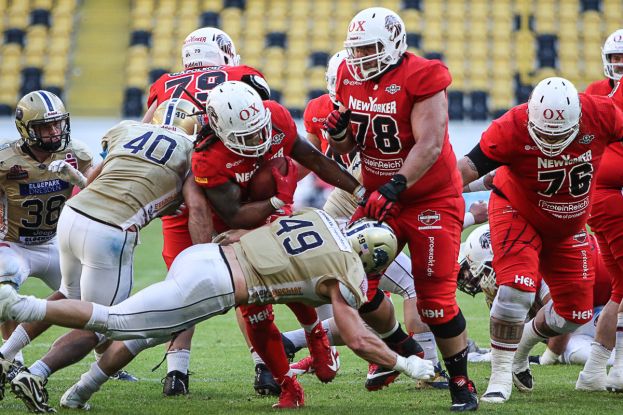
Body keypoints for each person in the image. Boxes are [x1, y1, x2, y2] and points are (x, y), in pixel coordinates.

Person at [0, 210, 436, 410]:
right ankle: (24, 306)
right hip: (216, 286)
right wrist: (406, 362)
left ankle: (79, 394)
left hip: (206, 256)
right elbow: (358, 337)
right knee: (113, 321)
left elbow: (248, 229)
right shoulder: (348, 271)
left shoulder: (319, 216)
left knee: (145, 334)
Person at [1, 99, 208, 413]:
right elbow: (195, 209)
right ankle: (35, 375)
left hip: (72, 216)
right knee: (101, 323)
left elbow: (94, 180)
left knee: (70, 296)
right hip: (110, 231)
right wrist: (204, 252)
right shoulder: (190, 152)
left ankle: (5, 355)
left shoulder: (128, 130)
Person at [325, 7, 477, 411]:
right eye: (355, 50)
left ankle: (462, 381)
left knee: (434, 299)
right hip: (380, 198)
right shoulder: (346, 77)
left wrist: (395, 185)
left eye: (371, 48)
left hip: (429, 198)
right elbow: (347, 149)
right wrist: (340, 135)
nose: (362, 58)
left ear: (394, 42)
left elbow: (429, 144)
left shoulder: (423, 75)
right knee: (356, 284)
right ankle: (406, 350)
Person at [458, 76, 623, 403]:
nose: (552, 141)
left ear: (578, 119)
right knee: (517, 288)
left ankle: (520, 350)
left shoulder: (601, 114)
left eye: (559, 134)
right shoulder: (510, 127)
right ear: (530, 116)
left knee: (573, 315)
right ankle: (500, 375)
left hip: (568, 224)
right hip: (517, 210)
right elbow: (465, 168)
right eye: (544, 133)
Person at [143, 27, 274, 396]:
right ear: (225, 52)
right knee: (249, 281)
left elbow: (145, 130)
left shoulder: (164, 84)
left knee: (182, 285)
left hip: (177, 196)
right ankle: (265, 365)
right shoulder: (241, 75)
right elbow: (258, 122)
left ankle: (176, 373)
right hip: (226, 189)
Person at [0, 90, 93, 389]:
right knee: (5, 294)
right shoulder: (5, 160)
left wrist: (77, 178)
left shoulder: (75, 153)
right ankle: (12, 361)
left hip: (55, 243)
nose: (54, 132)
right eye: (45, 126)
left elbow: (100, 193)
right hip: (13, 243)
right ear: (26, 129)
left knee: (93, 302)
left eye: (57, 124)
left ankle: (107, 361)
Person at [577, 29, 623, 391]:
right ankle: (618, 368)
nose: (619, 65)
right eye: (616, 58)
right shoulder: (594, 92)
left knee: (620, 289)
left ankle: (594, 373)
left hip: (598, 197)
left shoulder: (593, 93)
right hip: (610, 195)